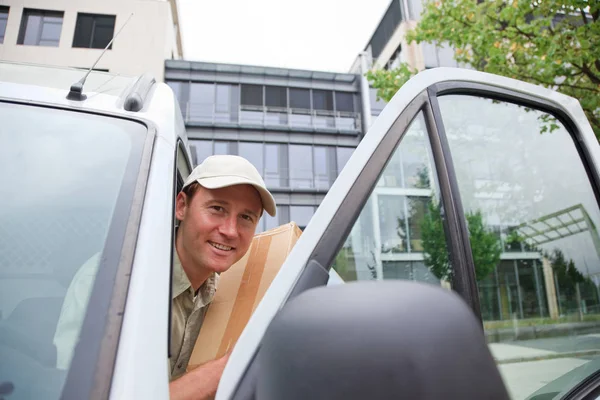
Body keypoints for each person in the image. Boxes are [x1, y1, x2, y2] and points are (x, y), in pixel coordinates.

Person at [168, 155, 276, 399]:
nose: (230, 231)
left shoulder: (223, 292)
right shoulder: (122, 284)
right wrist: (234, 364)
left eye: (246, 217)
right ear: (182, 206)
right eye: (217, 209)